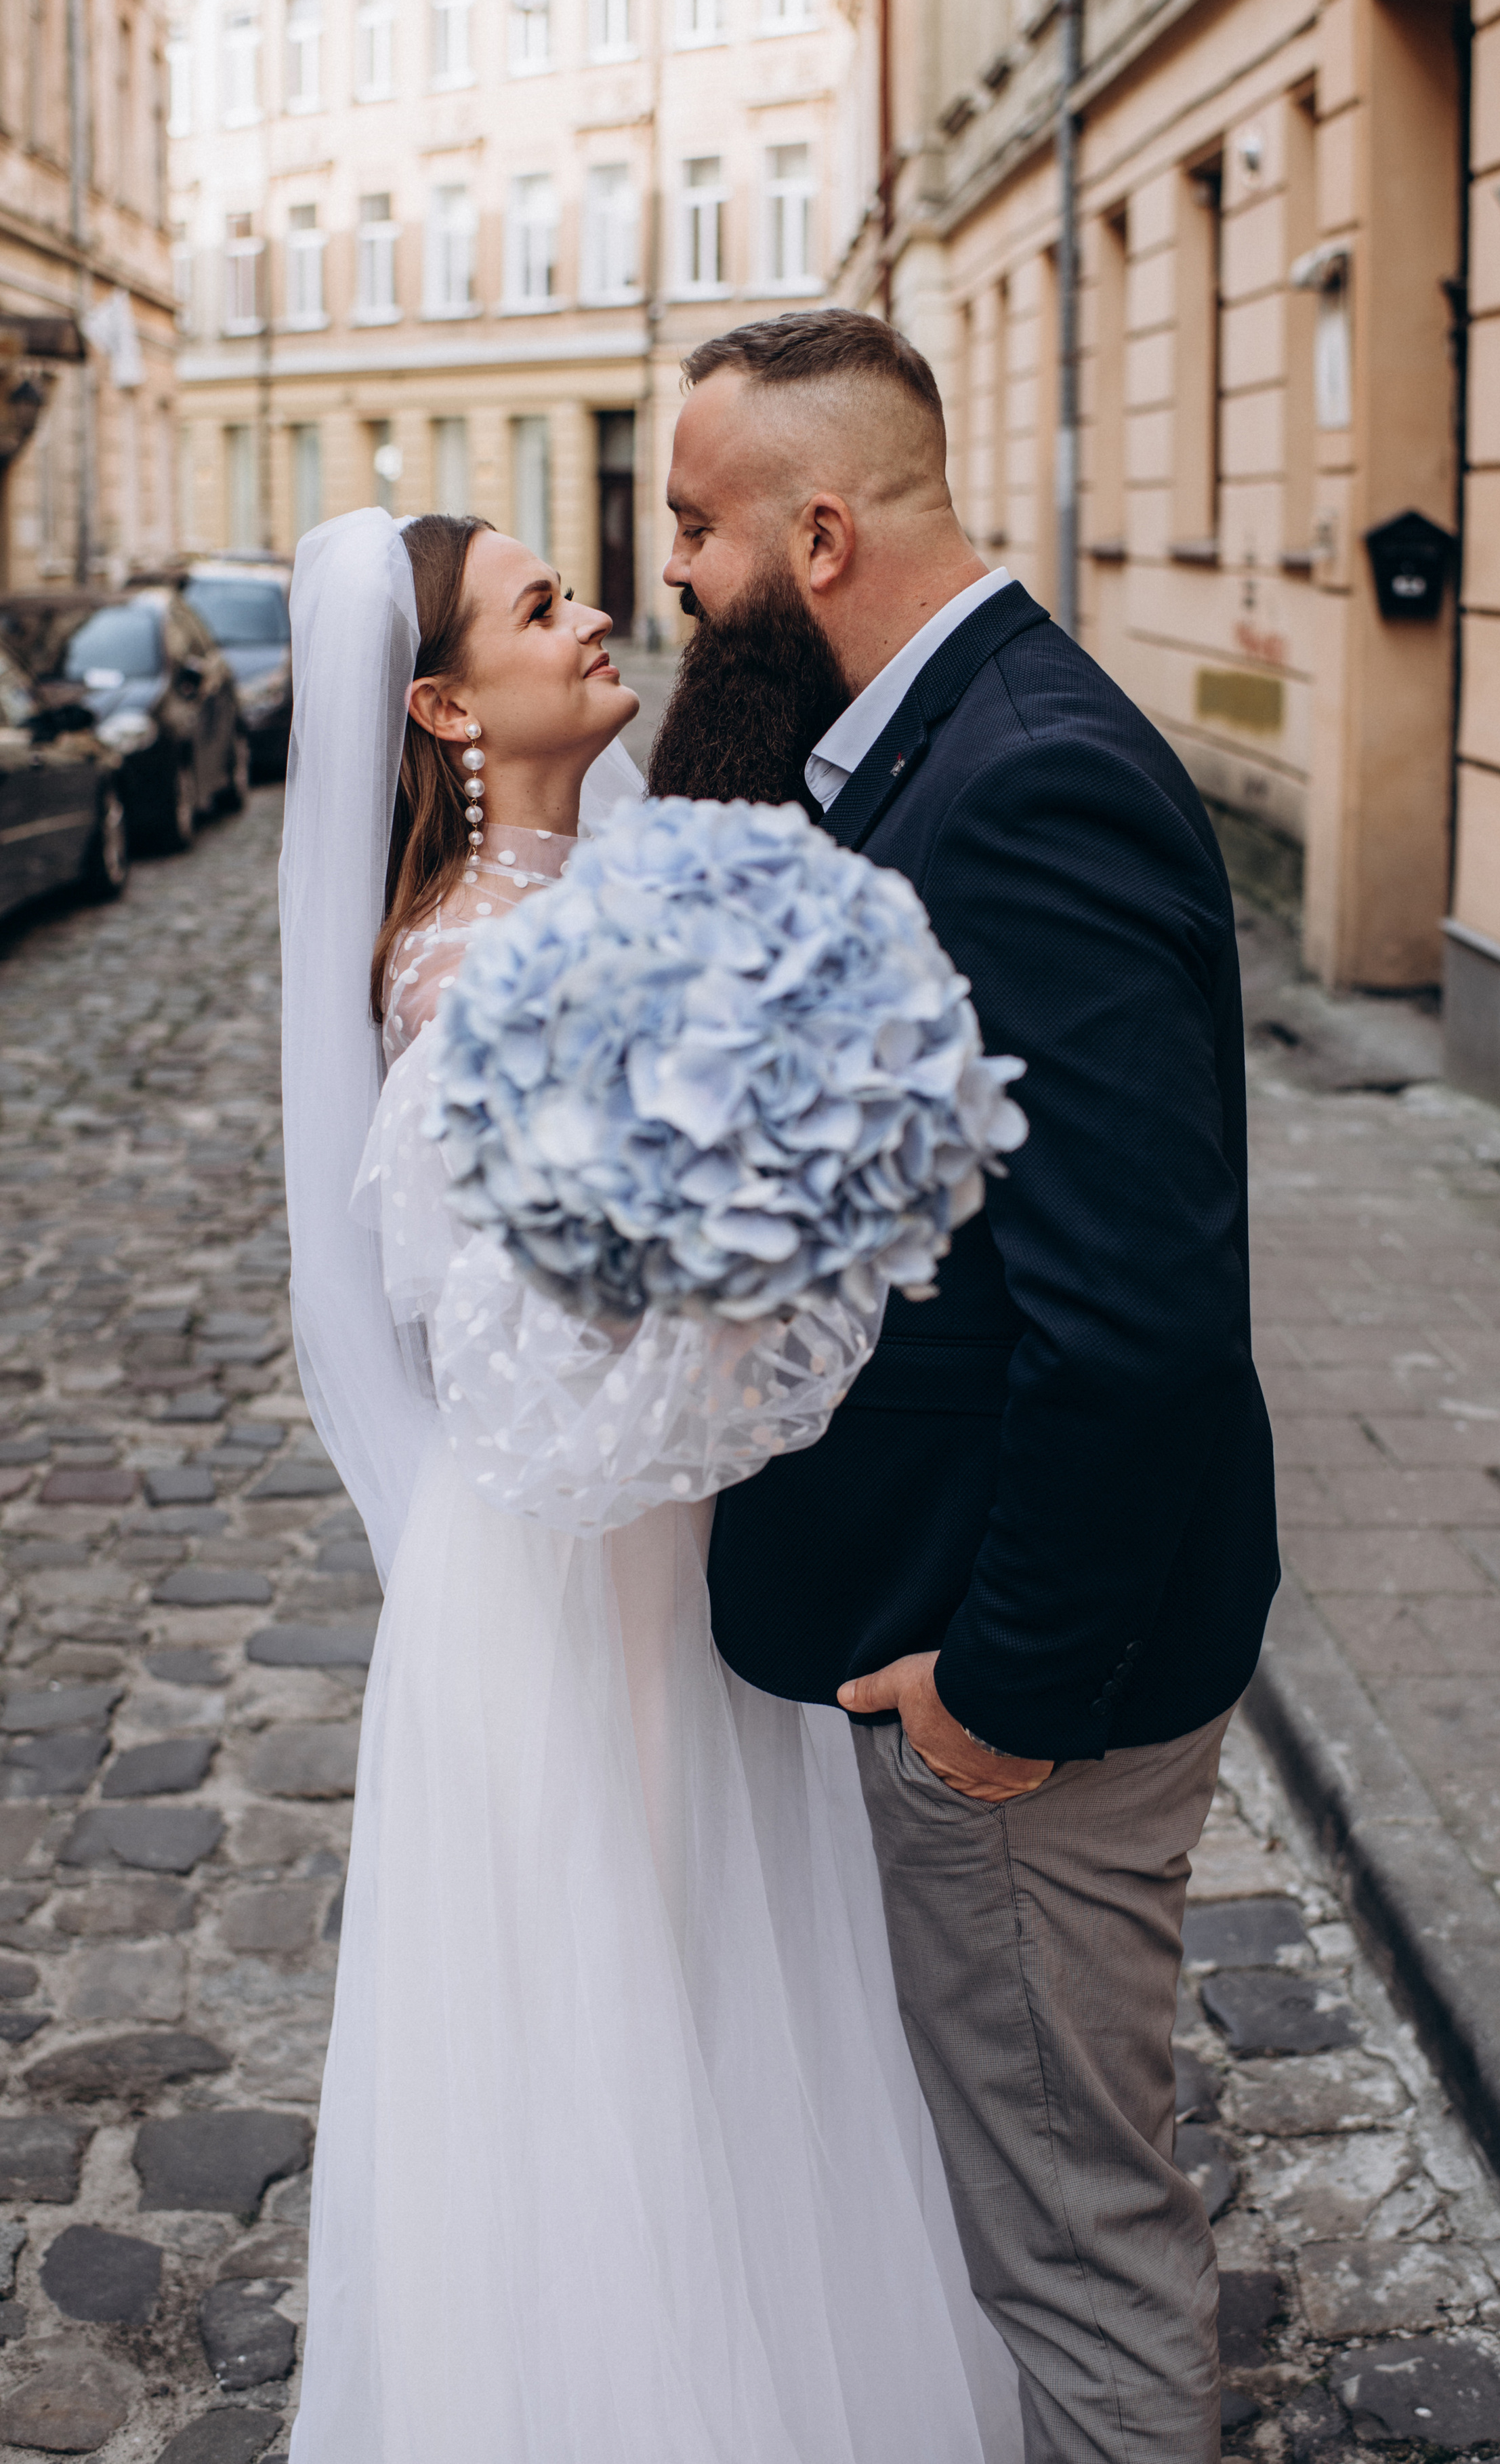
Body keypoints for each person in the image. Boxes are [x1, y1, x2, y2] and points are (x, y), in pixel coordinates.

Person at [279, 505, 1021, 2463]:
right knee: (615, 2036)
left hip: (675, 1574)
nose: (599, 609)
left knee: (733, 2013)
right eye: (542, 607)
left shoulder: (633, 891)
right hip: (564, 1589)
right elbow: (528, 1387)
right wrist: (763, 1286)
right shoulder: (460, 971)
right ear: (446, 708)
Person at [652, 309, 1281, 2464]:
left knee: (1073, 2241)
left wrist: (997, 1703)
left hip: (1031, 1694)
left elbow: (1143, 1325)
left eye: (697, 529)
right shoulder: (931, 749)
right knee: (1018, 2206)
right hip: (971, 1640)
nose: (673, 575)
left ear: (819, 538)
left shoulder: (1025, 787)